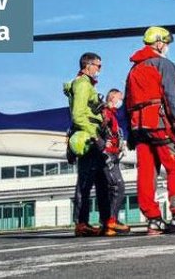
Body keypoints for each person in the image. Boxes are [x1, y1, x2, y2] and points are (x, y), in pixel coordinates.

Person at [125, 26, 175, 234]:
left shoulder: (134, 69)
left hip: (138, 128)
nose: (167, 47)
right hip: (159, 125)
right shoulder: (164, 65)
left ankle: (153, 220)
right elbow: (172, 98)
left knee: (147, 173)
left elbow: (127, 103)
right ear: (158, 43)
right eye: (165, 43)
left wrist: (130, 133)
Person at [65, 52, 110, 237]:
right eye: (98, 66)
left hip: (91, 135)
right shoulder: (83, 84)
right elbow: (78, 115)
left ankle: (103, 221)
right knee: (85, 183)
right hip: (88, 138)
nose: (100, 70)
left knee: (100, 181)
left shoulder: (85, 84)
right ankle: (82, 223)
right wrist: (95, 136)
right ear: (88, 65)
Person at [100, 88, 130, 235]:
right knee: (118, 187)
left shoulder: (112, 114)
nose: (121, 101)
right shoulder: (106, 113)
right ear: (112, 97)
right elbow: (98, 129)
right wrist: (103, 144)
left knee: (113, 188)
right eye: (119, 98)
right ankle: (112, 221)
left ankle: (109, 223)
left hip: (113, 155)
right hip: (108, 156)